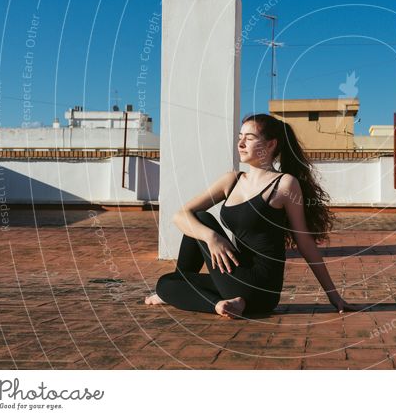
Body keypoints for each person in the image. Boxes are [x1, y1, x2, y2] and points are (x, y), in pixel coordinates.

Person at [145, 113, 356, 319]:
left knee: (200, 222)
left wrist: (333, 296)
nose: (241, 143)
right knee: (170, 276)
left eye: (250, 138)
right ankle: (223, 303)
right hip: (236, 275)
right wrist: (212, 238)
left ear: (271, 145)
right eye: (240, 137)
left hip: (264, 286)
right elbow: (180, 215)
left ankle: (207, 299)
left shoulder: (284, 184)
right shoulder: (232, 180)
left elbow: (305, 243)